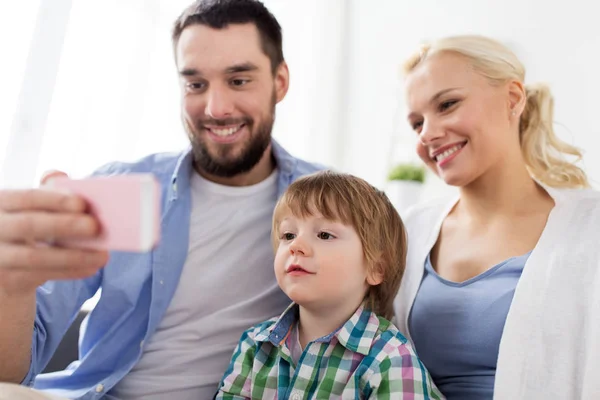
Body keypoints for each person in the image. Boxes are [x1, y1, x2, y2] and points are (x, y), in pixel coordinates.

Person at [0, 0, 323, 399]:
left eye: (238, 81)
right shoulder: (121, 188)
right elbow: (11, 372)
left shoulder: (329, 205)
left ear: (280, 82)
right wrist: (13, 285)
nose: (216, 108)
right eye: (195, 84)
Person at [394, 34, 600, 400]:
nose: (427, 133)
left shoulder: (590, 227)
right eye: (416, 123)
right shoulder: (408, 231)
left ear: (513, 98)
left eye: (448, 104)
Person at [215, 171, 443, 399]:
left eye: (324, 235)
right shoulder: (254, 346)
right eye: (288, 235)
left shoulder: (391, 359)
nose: (296, 245)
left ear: (376, 268)